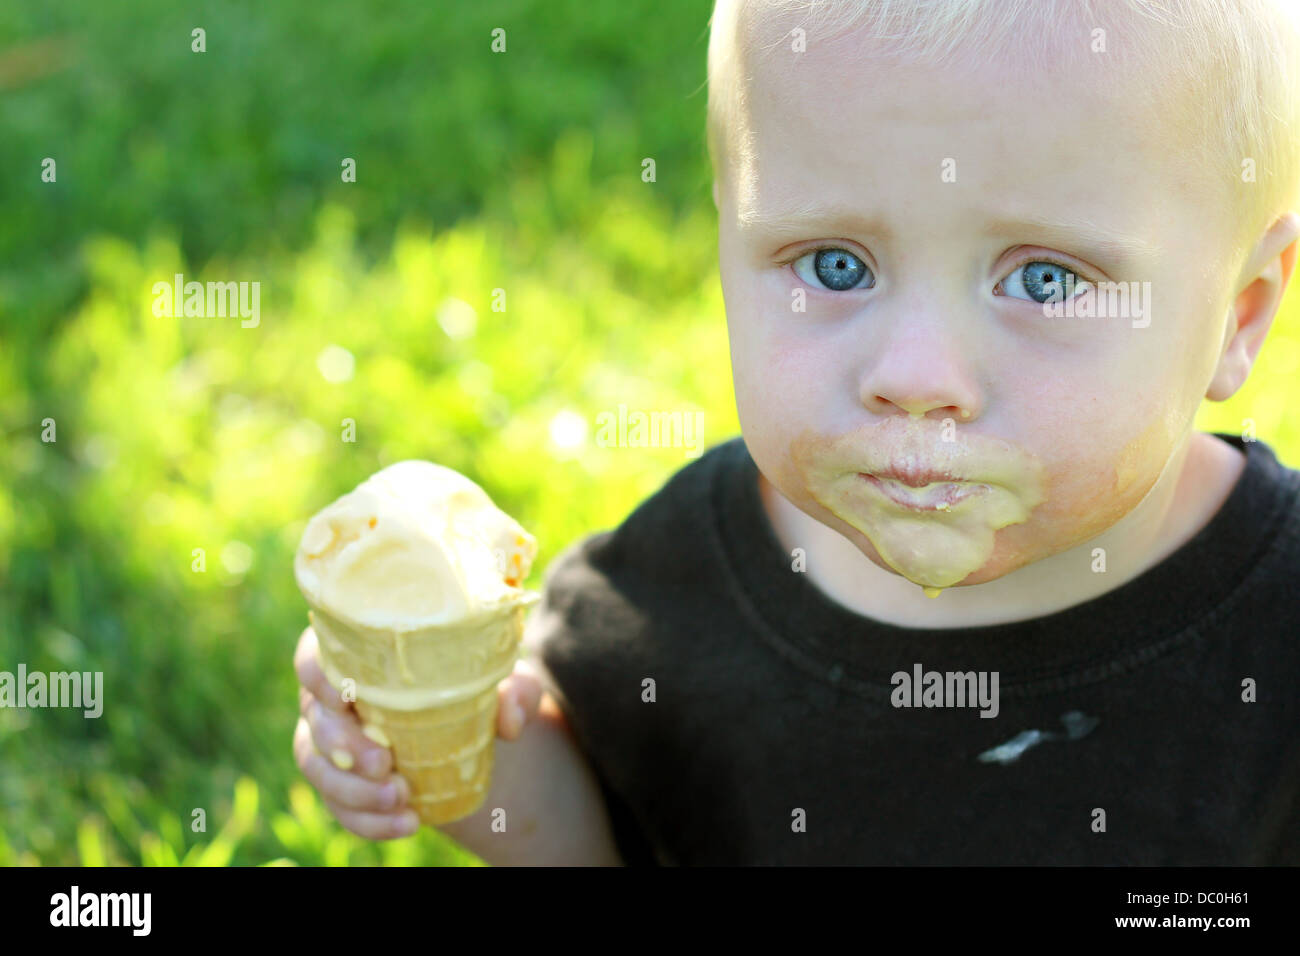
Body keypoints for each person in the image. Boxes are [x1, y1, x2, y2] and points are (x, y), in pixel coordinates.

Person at [293, 0, 1300, 864]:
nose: (913, 375)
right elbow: (593, 843)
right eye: (833, 264)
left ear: (1239, 314)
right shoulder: (676, 587)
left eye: (1045, 279)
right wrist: (466, 748)